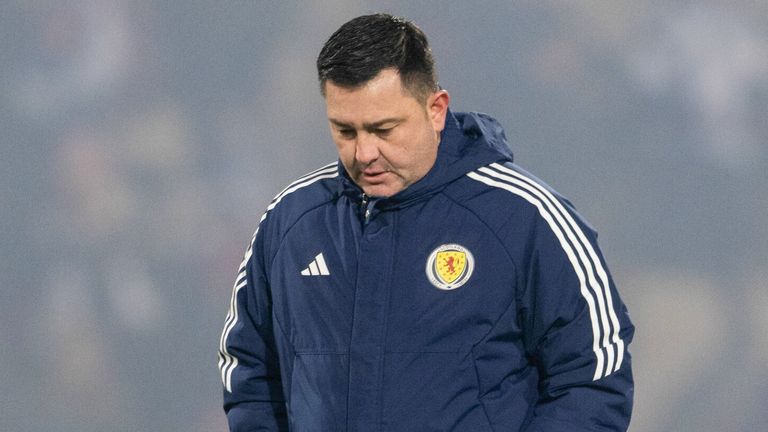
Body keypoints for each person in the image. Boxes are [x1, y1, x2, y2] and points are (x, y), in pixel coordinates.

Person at [218, 13, 634, 432]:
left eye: (383, 129)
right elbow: (250, 369)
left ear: (435, 110)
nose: (364, 153)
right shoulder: (291, 221)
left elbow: (594, 376)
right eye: (345, 131)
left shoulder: (526, 218)